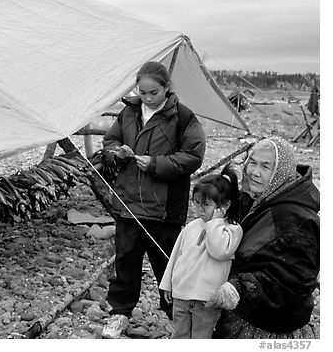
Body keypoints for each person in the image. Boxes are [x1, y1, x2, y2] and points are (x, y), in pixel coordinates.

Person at [100, 61, 206, 339]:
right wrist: (117, 154)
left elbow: (194, 155)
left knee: (168, 265)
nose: (147, 98)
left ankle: (176, 317)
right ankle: (120, 314)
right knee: (125, 262)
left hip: (164, 209)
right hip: (128, 205)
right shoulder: (128, 112)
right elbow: (109, 142)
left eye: (153, 93)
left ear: (167, 88)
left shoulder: (182, 117)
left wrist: (157, 164)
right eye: (142, 92)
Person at [209, 137, 320, 338]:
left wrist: (238, 287)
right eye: (252, 162)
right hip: (244, 311)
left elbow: (293, 280)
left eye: (265, 166)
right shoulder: (260, 199)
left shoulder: (293, 217)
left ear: (281, 172)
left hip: (268, 326)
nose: (254, 172)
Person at [159, 164, 243, 338]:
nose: (199, 210)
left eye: (206, 205)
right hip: (182, 293)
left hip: (206, 299)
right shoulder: (191, 226)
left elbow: (219, 251)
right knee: (179, 334)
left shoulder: (231, 230)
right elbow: (176, 257)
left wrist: (215, 223)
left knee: (201, 337)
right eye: (196, 203)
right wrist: (167, 284)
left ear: (225, 205)